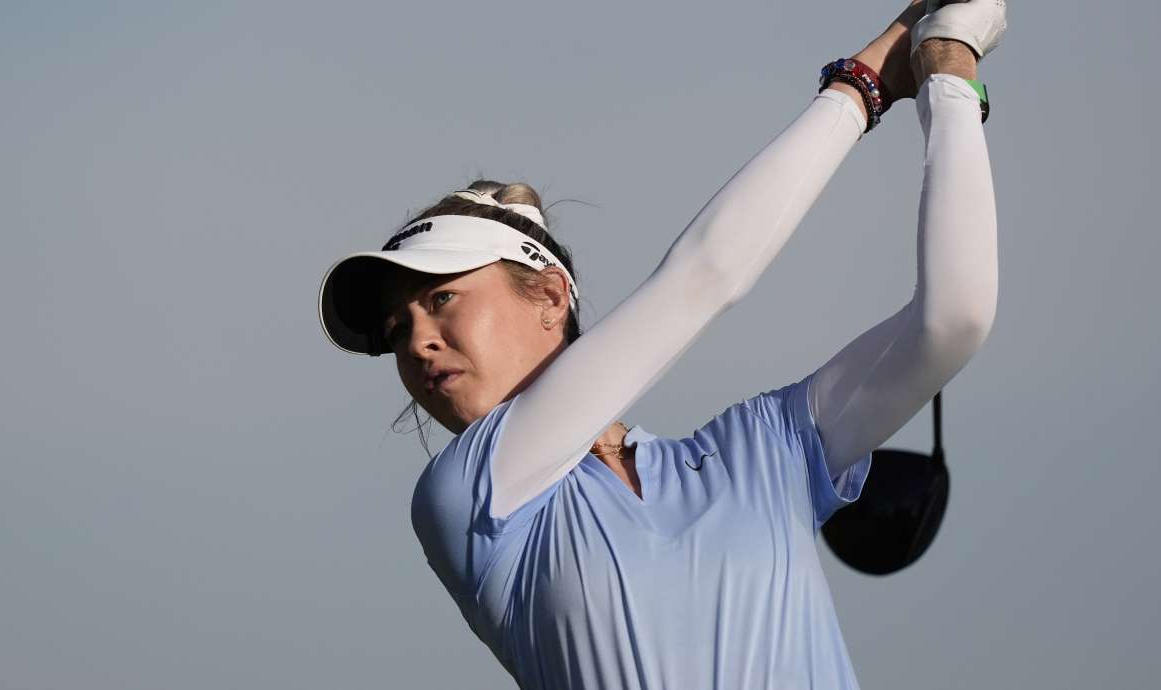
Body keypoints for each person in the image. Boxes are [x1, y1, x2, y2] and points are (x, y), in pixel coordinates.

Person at [318, 1, 1006, 687]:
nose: (418, 345)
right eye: (397, 330)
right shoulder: (467, 497)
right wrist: (864, 82)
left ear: (551, 296)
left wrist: (948, 72)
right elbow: (708, 275)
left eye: (440, 300)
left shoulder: (763, 449)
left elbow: (954, 321)